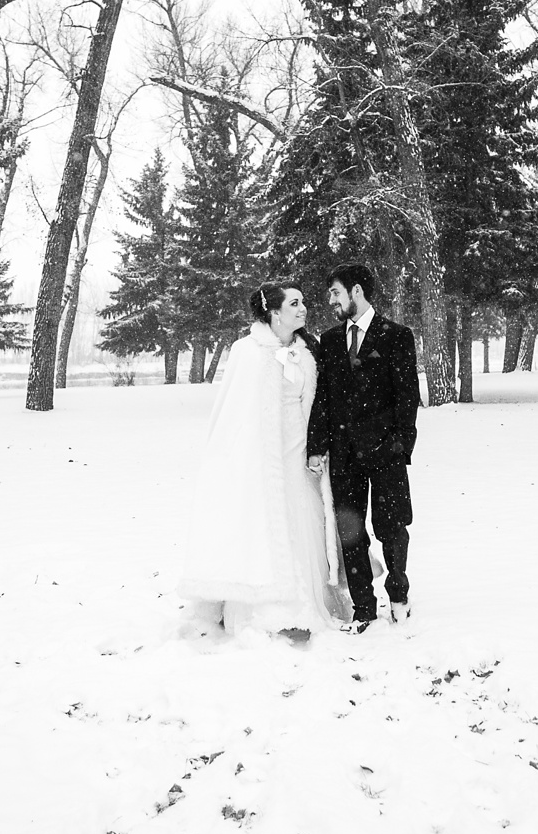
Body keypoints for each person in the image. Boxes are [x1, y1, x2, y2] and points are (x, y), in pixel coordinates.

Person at [177, 282, 349, 635]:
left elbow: (318, 402)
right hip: (261, 454)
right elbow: (235, 411)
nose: (303, 309)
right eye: (295, 303)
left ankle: (307, 603)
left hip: (301, 449)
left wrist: (319, 445)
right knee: (266, 520)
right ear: (274, 312)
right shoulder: (247, 351)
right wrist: (238, 458)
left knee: (304, 518)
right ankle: (265, 610)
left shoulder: (308, 349)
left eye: (303, 302)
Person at [307, 263, 420, 631]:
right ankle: (363, 608)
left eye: (335, 293)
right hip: (344, 455)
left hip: (386, 452)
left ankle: (399, 596)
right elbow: (323, 399)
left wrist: (401, 445)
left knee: (391, 527)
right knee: (350, 533)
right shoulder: (330, 340)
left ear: (356, 291)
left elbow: (407, 396)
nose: (331, 301)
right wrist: (317, 446)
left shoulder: (396, 336)